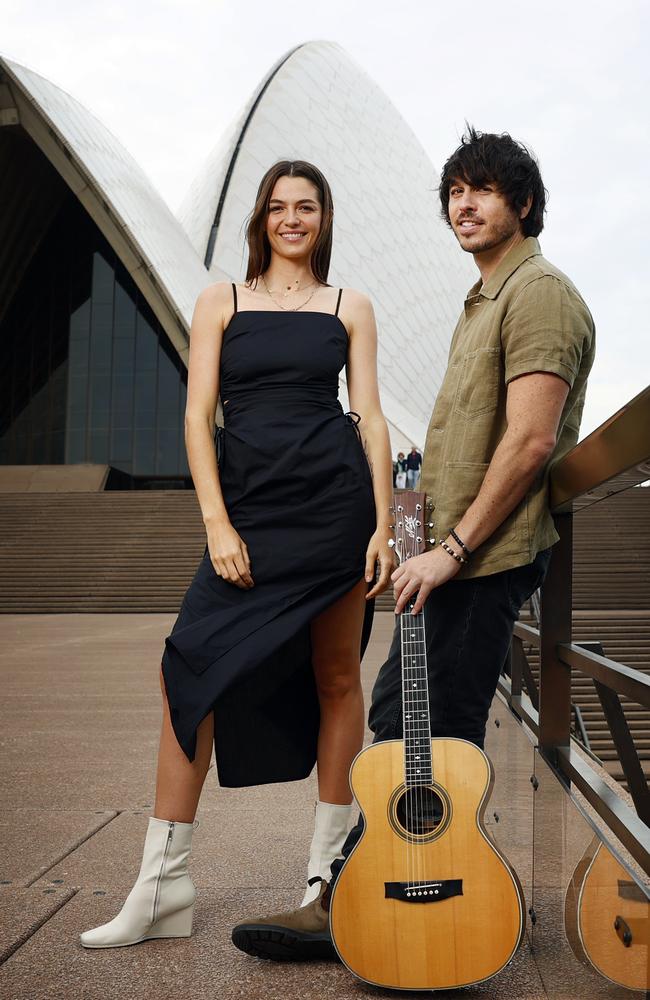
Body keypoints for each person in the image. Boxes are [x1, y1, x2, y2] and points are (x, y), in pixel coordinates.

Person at [231, 126, 595, 959]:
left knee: (421, 743)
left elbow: (531, 442)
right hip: (445, 557)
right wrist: (399, 536)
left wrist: (454, 550)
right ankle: (367, 899)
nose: (464, 204)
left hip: (484, 559)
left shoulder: (539, 294)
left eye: (483, 189)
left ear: (524, 203)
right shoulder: (483, 301)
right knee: (401, 728)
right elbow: (443, 450)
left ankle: (386, 907)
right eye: (455, 192)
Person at [79, 160, 394, 949]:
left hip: (333, 509)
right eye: (280, 207)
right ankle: (162, 888)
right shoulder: (219, 300)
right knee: (188, 665)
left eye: (308, 207)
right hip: (250, 509)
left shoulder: (349, 305)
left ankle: (327, 879)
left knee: (336, 676)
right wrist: (217, 524)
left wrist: (386, 526)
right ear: (261, 218)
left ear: (324, 218)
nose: (293, 219)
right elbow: (197, 417)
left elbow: (373, 419)